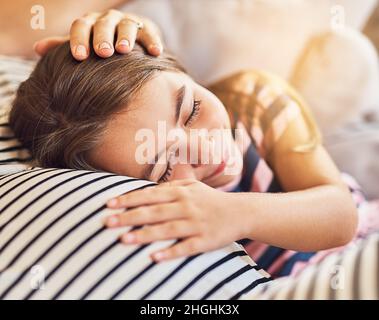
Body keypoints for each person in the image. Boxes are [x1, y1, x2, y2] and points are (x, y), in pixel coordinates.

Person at [8, 9, 361, 278]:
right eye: (163, 167)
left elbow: (341, 217)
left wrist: (236, 213)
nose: (205, 149)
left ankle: (334, 107)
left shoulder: (258, 101)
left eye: (191, 110)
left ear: (179, 69)